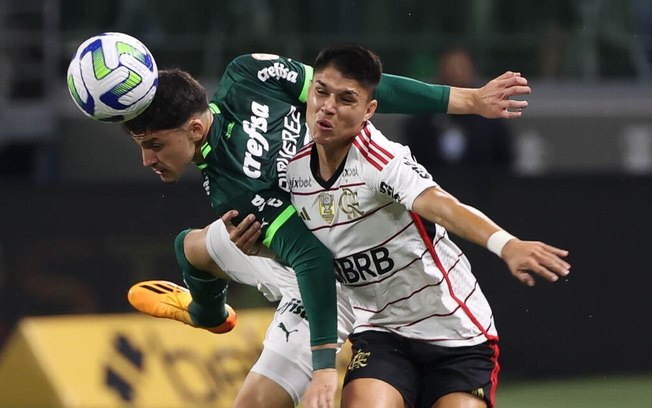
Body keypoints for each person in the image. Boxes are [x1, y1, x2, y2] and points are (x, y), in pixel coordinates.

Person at [122, 50, 532, 408]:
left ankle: (209, 308)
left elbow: (353, 86)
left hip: (326, 281)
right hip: (296, 249)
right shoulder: (235, 190)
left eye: (154, 145)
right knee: (193, 247)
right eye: (143, 145)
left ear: (193, 129)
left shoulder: (252, 77)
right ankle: (205, 313)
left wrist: (469, 99)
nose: (145, 160)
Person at [279, 45, 570, 407]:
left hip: (455, 335)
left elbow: (443, 207)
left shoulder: (382, 160)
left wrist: (505, 244)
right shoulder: (290, 167)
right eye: (321, 91)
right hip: (382, 331)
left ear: (369, 111)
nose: (328, 107)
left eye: (346, 99)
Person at [402, 47, 515, 180]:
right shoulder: (421, 120)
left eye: (461, 68)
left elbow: (505, 164)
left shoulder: (491, 121)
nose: (456, 74)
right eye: (450, 69)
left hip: (482, 193)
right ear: (441, 73)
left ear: (473, 72)